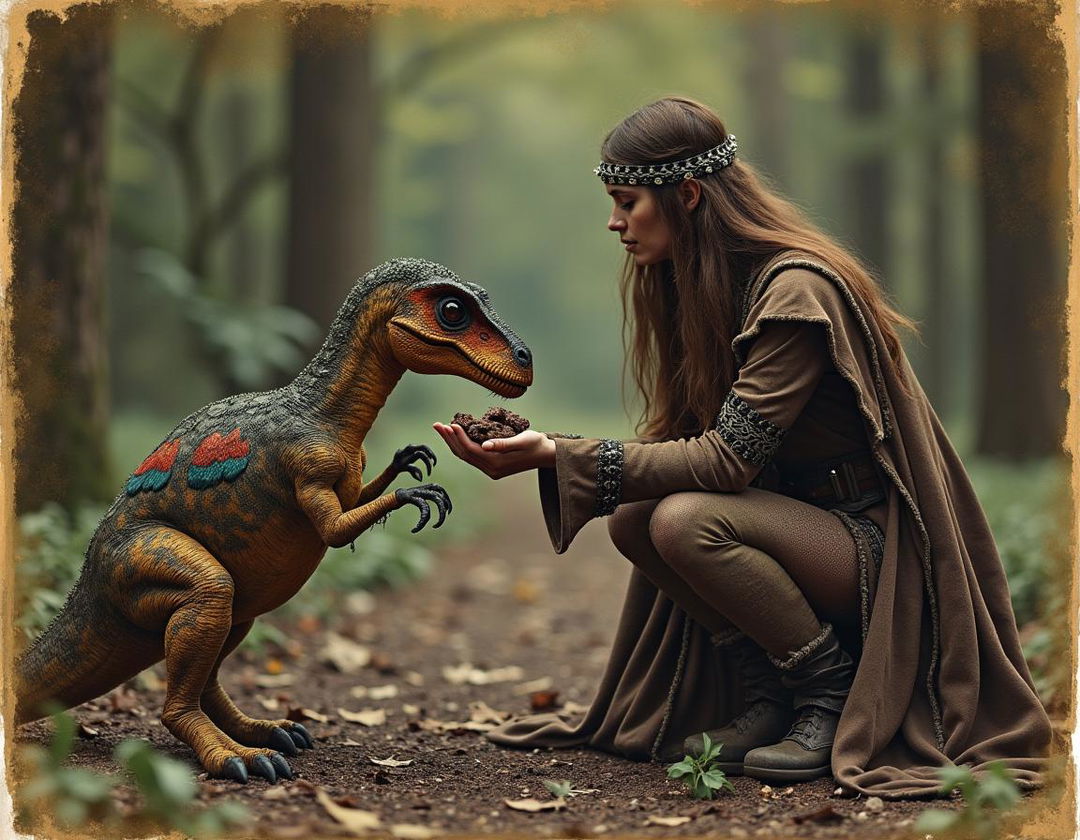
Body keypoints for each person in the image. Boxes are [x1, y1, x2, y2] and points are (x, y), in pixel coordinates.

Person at [433, 97, 1051, 797]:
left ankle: (828, 695)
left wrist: (559, 456)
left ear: (687, 196)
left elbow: (726, 461)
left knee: (683, 519)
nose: (614, 222)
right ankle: (772, 695)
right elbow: (684, 446)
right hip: (798, 531)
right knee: (636, 517)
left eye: (627, 202)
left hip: (876, 553)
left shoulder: (794, 292)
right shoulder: (700, 286)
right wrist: (555, 446)